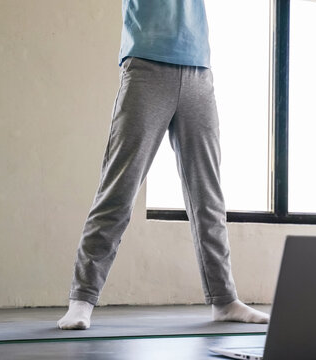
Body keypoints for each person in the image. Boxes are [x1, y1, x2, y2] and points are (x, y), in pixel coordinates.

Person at [57, 0, 270, 330]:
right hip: (146, 64)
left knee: (208, 196)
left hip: (199, 67)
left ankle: (224, 299)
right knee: (119, 188)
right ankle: (82, 298)